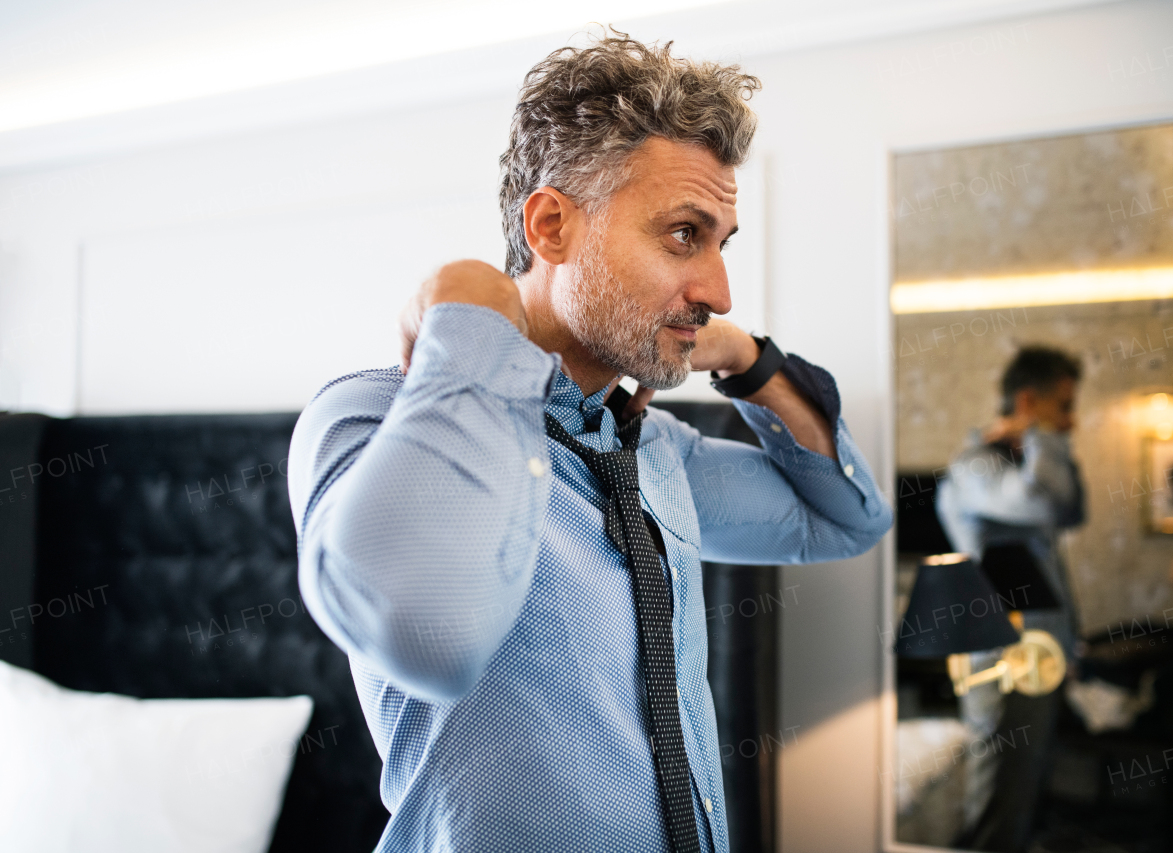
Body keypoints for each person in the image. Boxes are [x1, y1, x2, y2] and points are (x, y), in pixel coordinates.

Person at [287, 33, 892, 853]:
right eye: (684, 234)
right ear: (550, 225)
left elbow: (847, 519)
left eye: (722, 242)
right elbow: (430, 632)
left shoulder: (658, 450)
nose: (717, 290)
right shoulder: (368, 419)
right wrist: (472, 305)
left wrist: (751, 362)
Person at [936, 345, 1086, 851]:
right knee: (1000, 795)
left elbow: (1072, 510)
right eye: (1063, 405)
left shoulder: (1029, 457)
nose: (1072, 420)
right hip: (1003, 655)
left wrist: (1040, 440)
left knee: (1027, 787)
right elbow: (1040, 504)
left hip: (1039, 649)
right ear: (1028, 399)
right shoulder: (976, 464)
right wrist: (1042, 438)